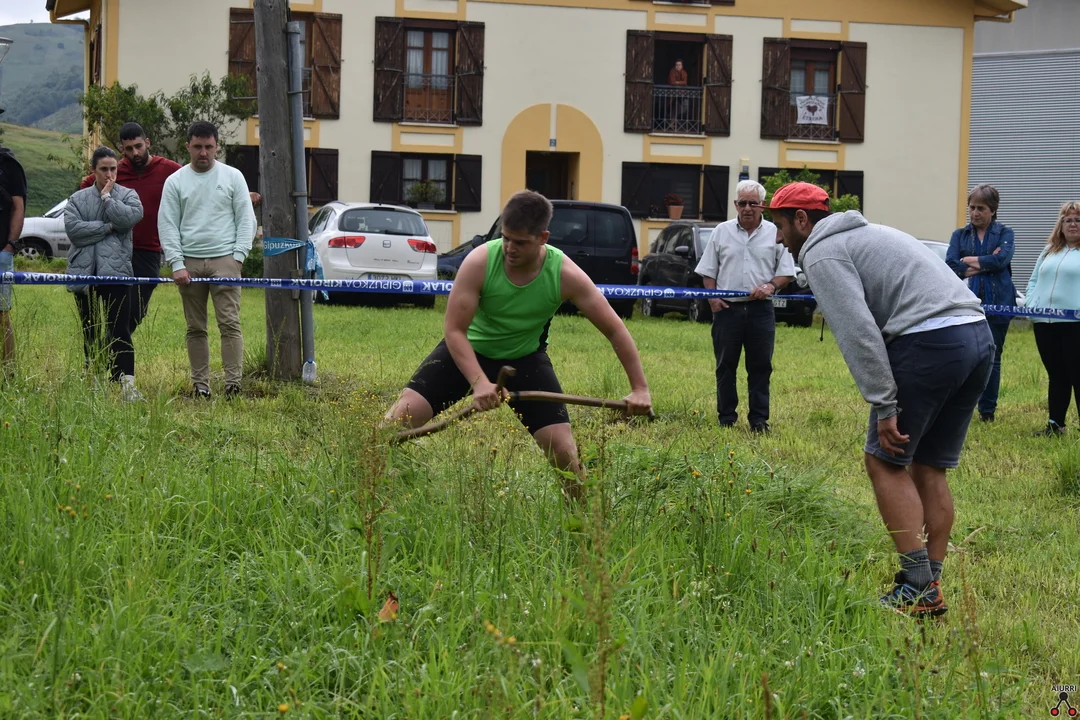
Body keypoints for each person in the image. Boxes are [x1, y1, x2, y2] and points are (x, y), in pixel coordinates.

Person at [770, 182, 993, 618]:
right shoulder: (870, 233)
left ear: (801, 220)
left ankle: (917, 586)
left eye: (779, 226)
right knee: (928, 466)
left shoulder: (822, 251)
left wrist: (884, 406)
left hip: (930, 342)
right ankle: (931, 586)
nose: (778, 238)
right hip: (977, 335)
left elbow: (859, 333)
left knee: (885, 461)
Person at [385, 190, 652, 501]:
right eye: (506, 238)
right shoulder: (480, 261)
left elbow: (615, 330)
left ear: (543, 238)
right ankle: (365, 488)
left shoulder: (564, 274)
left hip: (525, 361)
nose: (510, 248)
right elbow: (455, 331)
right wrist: (479, 382)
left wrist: (640, 388)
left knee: (564, 452)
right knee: (394, 424)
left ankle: (586, 520)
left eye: (521, 242)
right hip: (467, 353)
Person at [159, 121, 256, 400]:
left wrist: (238, 257)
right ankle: (201, 385)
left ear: (217, 147)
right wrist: (176, 263)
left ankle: (233, 384)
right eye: (198, 147)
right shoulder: (175, 181)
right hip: (189, 262)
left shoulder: (233, 176)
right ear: (188, 146)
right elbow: (167, 224)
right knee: (195, 327)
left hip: (225, 259)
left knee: (230, 324)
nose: (203, 152)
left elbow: (246, 219)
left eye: (209, 147)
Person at [694, 179, 795, 433]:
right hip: (727, 310)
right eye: (742, 203)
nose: (747, 208)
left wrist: (770, 286)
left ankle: (759, 421)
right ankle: (726, 418)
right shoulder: (721, 232)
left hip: (761, 311)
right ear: (735, 204)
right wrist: (713, 298)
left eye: (753, 203)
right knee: (725, 366)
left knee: (761, 367)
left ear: (762, 205)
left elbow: (786, 272)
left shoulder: (775, 233)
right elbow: (708, 270)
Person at [80, 122, 182, 334]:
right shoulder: (116, 171)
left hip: (148, 251)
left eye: (138, 146)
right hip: (116, 249)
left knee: (136, 312)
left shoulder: (169, 170)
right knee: (117, 313)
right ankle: (109, 349)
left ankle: (108, 347)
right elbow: (86, 186)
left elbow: (195, 184)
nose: (135, 153)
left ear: (147, 143)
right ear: (122, 149)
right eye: (129, 149)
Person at [65, 146, 145, 400]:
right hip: (85, 273)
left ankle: (127, 386)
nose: (109, 174)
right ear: (93, 170)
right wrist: (108, 227)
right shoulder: (77, 199)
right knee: (90, 329)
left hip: (117, 273)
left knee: (120, 330)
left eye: (113, 169)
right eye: (104, 169)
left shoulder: (128, 195)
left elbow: (129, 219)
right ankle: (95, 381)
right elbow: (75, 231)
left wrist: (108, 198)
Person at [946, 184, 1016, 422]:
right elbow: (951, 266)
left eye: (981, 208)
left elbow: (1001, 259)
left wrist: (968, 260)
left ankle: (987, 411)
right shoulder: (960, 235)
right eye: (972, 207)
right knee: (965, 355)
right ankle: (961, 406)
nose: (975, 213)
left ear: (993, 210)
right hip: (967, 304)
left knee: (993, 358)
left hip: (1000, 304)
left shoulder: (1005, 233)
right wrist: (984, 263)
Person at [1025, 201, 1080, 437]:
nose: (1073, 224)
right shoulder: (1049, 250)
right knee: (1056, 375)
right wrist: (1031, 302)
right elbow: (1033, 280)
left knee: (1077, 375)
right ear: (1061, 225)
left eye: (1078, 219)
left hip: (1075, 324)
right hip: (1044, 323)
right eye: (1068, 220)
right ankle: (1055, 425)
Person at [0, 144, 26, 377]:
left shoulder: (8, 164)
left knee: (1, 315)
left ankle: (8, 374)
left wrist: (10, 246)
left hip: (1, 251)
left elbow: (18, 207)